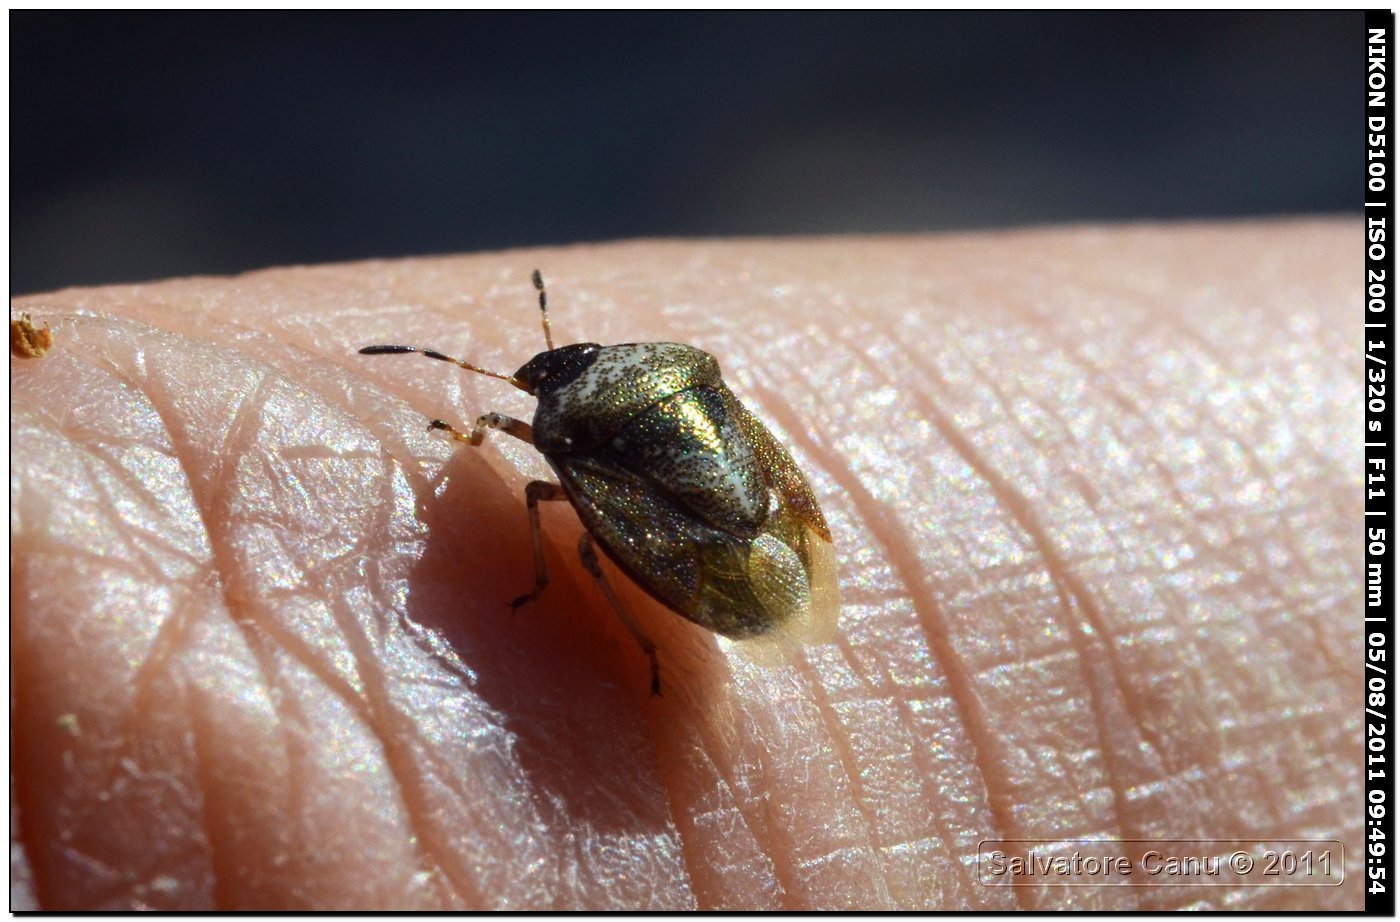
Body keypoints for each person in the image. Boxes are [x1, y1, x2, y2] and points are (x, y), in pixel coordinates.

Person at [9, 222, 1360, 909]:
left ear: (563, 392)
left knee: (564, 539)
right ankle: (643, 639)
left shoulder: (570, 445)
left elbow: (576, 514)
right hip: (728, 497)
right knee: (574, 529)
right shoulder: (658, 377)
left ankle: (640, 639)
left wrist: (524, 515)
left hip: (667, 536)